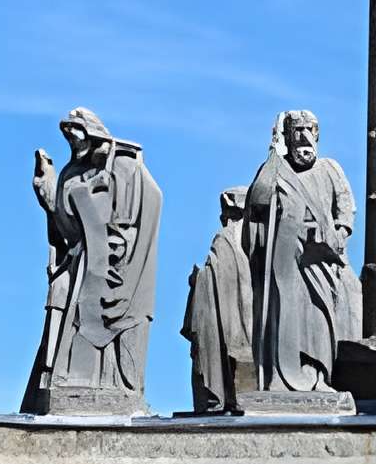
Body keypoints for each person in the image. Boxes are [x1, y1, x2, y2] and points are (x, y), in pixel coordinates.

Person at [21, 110, 162, 411]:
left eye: (77, 133)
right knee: (61, 291)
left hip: (112, 262)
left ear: (92, 132)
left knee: (92, 306)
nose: (73, 141)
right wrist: (48, 196)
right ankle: (57, 377)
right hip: (81, 259)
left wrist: (116, 237)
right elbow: (67, 231)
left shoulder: (123, 165)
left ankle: (101, 382)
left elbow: (144, 204)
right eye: (68, 136)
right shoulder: (70, 172)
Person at [244, 112, 360, 393]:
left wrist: (339, 234)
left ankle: (317, 375)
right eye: (297, 131)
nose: (304, 136)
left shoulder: (330, 168)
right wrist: (273, 157)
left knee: (318, 316)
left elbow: (346, 208)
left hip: (320, 260)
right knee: (286, 313)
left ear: (317, 134)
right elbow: (258, 198)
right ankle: (280, 377)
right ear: (286, 136)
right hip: (286, 259)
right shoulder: (277, 169)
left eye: (309, 130)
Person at [181, 187, 252, 413]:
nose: (226, 220)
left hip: (238, 322)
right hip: (234, 321)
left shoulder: (229, 240)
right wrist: (201, 278)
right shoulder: (231, 240)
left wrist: (198, 278)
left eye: (229, 215)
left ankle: (224, 393)